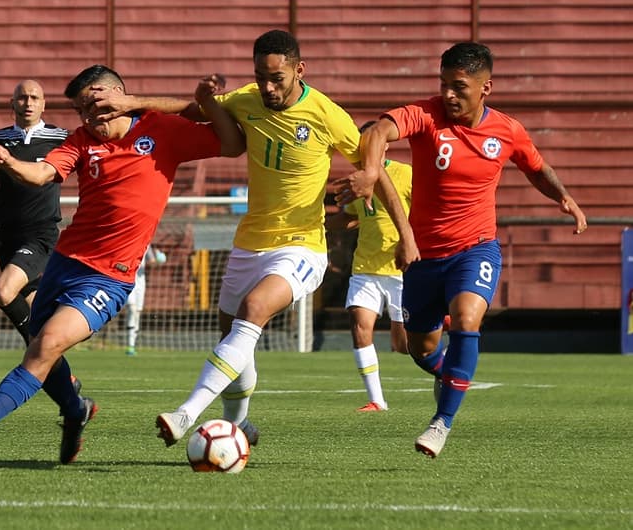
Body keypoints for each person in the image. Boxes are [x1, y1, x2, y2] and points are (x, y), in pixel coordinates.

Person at [90, 29, 417, 448]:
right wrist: (133, 102)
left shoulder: (325, 113)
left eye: (276, 78)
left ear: (299, 71)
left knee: (254, 308)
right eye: (261, 76)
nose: (267, 87)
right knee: (232, 336)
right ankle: (237, 425)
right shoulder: (247, 99)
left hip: (302, 244)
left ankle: (185, 413)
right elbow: (194, 110)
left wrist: (406, 235)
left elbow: (381, 171)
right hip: (249, 243)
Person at [0, 64, 245, 464]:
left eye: (99, 105)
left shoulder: (161, 130)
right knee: (42, 348)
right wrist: (11, 165)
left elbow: (232, 141)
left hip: (109, 276)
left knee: (46, 345)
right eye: (83, 110)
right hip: (64, 263)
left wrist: (145, 103)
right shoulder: (81, 141)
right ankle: (74, 410)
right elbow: (44, 172)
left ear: (120, 97)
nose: (92, 117)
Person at [337, 42, 587, 457]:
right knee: (420, 349)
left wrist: (563, 198)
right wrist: (369, 169)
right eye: (444, 84)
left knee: (467, 318)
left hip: (476, 249)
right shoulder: (425, 114)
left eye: (459, 87)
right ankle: (448, 374)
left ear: (485, 88)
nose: (449, 94)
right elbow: (379, 131)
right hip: (424, 258)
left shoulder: (507, 130)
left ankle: (441, 422)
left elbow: (537, 168)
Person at [0, 79, 68, 347]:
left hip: (40, 233)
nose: (28, 103)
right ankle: (63, 378)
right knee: (37, 315)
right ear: (12, 103)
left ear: (44, 104)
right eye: (22, 98)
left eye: (34, 98)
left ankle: (33, 348)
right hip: (7, 235)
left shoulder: (61, 138)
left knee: (3, 290)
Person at [326, 124, 412, 412]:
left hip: (401, 270)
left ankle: (444, 357)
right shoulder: (356, 180)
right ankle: (377, 400)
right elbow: (351, 218)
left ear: (384, 146)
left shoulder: (406, 174)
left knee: (404, 345)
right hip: (366, 267)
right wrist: (318, 225)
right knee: (360, 328)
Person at [123, 244, 166, 356]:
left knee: (137, 313)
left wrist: (158, 258)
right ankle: (129, 341)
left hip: (141, 284)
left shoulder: (147, 246)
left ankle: (131, 346)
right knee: (131, 308)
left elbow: (152, 261)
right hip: (128, 281)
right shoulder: (128, 244)